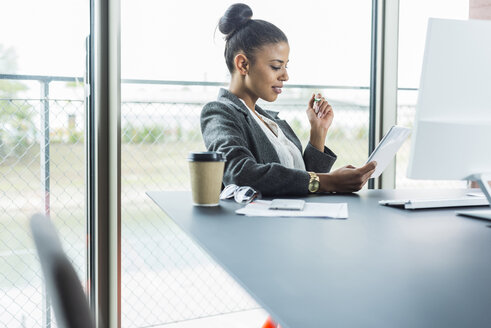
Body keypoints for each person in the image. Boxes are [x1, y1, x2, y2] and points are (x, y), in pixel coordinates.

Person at [201, 3, 376, 197]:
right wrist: (330, 181)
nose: (285, 76)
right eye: (276, 67)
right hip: (259, 226)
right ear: (243, 64)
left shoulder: (270, 121)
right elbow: (239, 174)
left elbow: (301, 181)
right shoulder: (220, 112)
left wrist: (318, 132)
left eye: (286, 66)